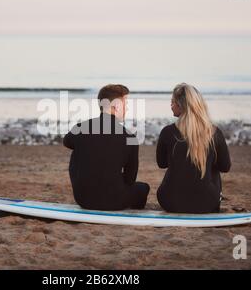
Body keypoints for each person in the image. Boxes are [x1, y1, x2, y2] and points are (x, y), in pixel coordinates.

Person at [63, 84, 150, 211]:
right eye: (125, 105)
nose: (127, 109)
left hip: (83, 199)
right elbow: (130, 179)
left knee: (78, 149)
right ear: (116, 107)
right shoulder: (130, 137)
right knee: (143, 188)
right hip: (115, 202)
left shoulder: (82, 127)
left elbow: (67, 142)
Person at [156, 83, 231, 213]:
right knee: (211, 166)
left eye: (172, 102)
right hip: (206, 204)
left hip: (170, 201)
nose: (171, 105)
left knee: (201, 163)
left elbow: (162, 164)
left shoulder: (167, 132)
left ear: (180, 105)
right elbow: (225, 167)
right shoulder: (214, 132)